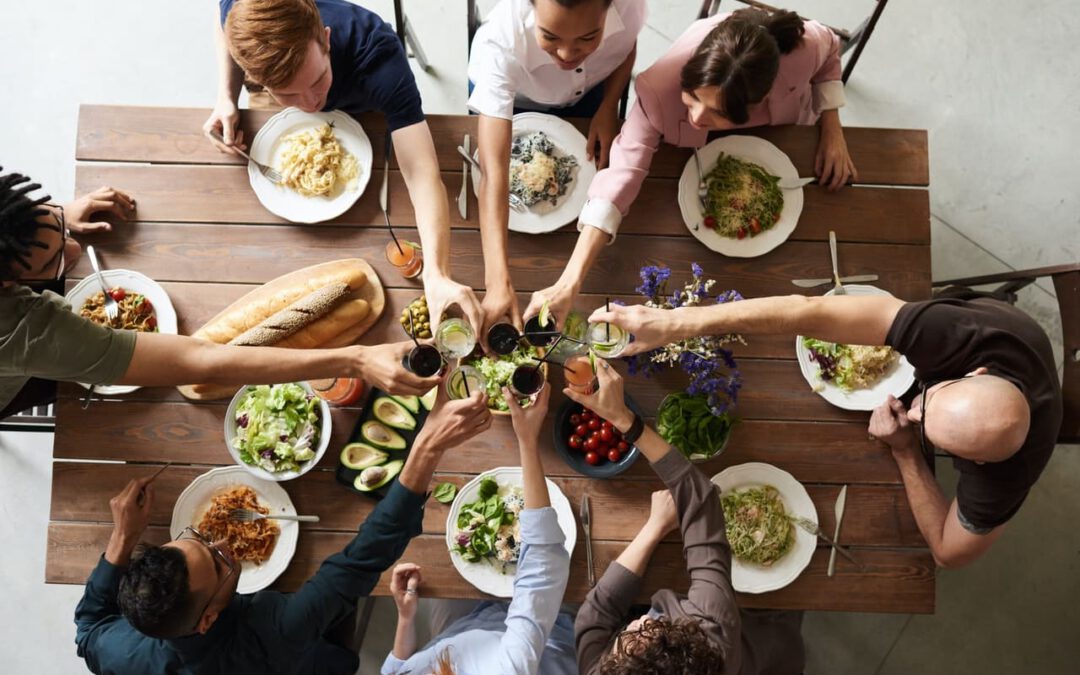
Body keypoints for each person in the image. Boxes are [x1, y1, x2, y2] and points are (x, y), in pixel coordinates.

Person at [592, 291, 1063, 568]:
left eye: (926, 427)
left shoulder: (1006, 478)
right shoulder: (959, 335)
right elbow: (805, 309)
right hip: (990, 323)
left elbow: (947, 550)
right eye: (930, 400)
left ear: (977, 463)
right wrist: (678, 321)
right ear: (974, 373)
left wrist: (904, 451)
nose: (912, 408)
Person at [73, 385, 493, 674]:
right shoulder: (273, 632)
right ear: (207, 621)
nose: (222, 542)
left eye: (196, 540)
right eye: (219, 562)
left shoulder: (118, 652)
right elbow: (361, 560)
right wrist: (426, 448)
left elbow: (88, 626)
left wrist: (123, 538)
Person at [0, 169, 438, 419]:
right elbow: (198, 359)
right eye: (56, 263)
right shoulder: (27, 331)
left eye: (54, 221)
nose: (78, 249)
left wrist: (53, 223)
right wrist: (357, 358)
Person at [523, 7, 857, 328]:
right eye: (693, 96)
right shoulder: (658, 88)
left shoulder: (804, 49)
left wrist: (832, 126)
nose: (696, 118)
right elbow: (621, 174)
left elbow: (830, 51)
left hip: (783, 139)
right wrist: (569, 281)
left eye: (717, 113)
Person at [204, 0, 483, 335]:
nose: (310, 104)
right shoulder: (243, 12)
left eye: (318, 79)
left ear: (325, 39)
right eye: (289, 94)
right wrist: (226, 97)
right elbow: (226, 29)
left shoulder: (377, 55)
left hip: (364, 106)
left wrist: (437, 274)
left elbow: (421, 171)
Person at [569, 362, 805, 674]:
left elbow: (594, 616)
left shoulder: (602, 670)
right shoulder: (713, 635)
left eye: (625, 639)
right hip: (763, 645)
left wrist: (653, 529)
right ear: (683, 644)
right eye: (650, 632)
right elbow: (702, 501)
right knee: (780, 614)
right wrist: (625, 421)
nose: (641, 621)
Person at [468, 0, 646, 337]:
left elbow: (627, 46)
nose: (566, 54)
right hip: (516, 97)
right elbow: (493, 173)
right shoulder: (501, 44)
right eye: (549, 36)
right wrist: (497, 282)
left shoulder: (630, 8)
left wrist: (608, 107)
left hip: (590, 92)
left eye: (588, 37)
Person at [381, 384, 576, 674]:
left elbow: (395, 671)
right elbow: (542, 569)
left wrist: (406, 617)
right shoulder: (509, 669)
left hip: (460, 633)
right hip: (549, 638)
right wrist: (527, 439)